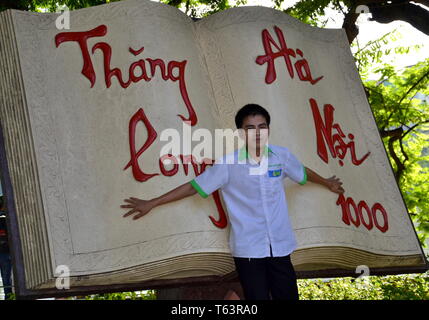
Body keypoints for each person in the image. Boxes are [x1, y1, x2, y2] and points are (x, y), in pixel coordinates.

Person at [121, 104, 344, 300]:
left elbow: (302, 172)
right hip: (248, 251)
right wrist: (152, 202)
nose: (257, 133)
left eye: (262, 126)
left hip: (280, 246)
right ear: (241, 133)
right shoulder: (228, 164)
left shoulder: (281, 156)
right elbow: (193, 186)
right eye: (250, 128)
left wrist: (327, 182)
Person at [0, 196, 12, 300]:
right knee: (7, 277)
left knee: (7, 277)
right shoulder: (6, 218)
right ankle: (9, 296)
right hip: (5, 252)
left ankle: (9, 296)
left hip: (5, 252)